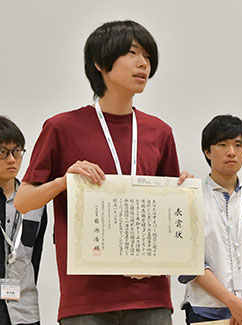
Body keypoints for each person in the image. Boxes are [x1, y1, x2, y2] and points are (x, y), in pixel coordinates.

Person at [14, 20, 190, 324]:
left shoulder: (160, 132)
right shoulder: (61, 128)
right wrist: (64, 182)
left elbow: (170, 219)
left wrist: (182, 196)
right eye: (132, 53)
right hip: (86, 300)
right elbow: (23, 201)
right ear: (100, 63)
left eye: (148, 57)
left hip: (150, 297)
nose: (142, 64)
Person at [179, 115, 242, 325]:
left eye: (238, 145)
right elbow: (190, 261)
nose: (231, 152)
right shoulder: (190, 195)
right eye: (222, 144)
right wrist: (232, 302)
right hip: (206, 310)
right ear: (207, 151)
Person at [0, 116, 47, 325]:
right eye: (3, 152)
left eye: (17, 151)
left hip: (25, 311)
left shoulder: (36, 202)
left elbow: (34, 256)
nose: (12, 159)